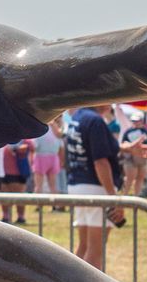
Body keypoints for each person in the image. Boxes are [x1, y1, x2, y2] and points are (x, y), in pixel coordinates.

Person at [64, 102, 124, 271]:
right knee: (96, 249)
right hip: (96, 187)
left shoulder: (77, 116)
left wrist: (127, 149)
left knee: (84, 245)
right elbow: (100, 161)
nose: (111, 103)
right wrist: (112, 196)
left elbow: (94, 147)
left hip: (78, 185)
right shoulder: (96, 121)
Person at [30, 119, 63, 196]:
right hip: (54, 158)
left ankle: (39, 206)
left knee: (38, 185)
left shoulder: (40, 126)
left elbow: (35, 146)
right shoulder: (56, 128)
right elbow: (60, 145)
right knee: (53, 186)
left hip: (40, 157)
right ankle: (55, 205)